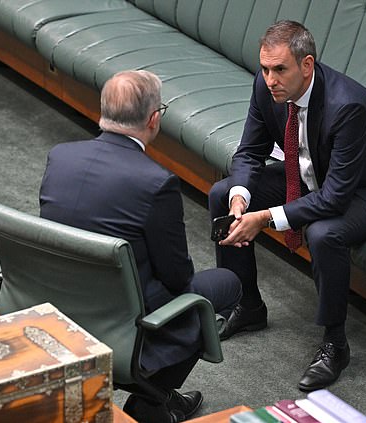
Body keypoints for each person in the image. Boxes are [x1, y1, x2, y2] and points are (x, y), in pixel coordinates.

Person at [209, 20, 366, 391]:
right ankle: (246, 306)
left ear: (307, 65)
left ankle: (335, 344)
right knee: (222, 192)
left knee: (324, 233)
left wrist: (263, 218)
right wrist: (239, 199)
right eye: (264, 69)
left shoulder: (348, 105)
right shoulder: (267, 89)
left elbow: (335, 198)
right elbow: (249, 152)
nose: (269, 79)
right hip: (314, 173)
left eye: (280, 69)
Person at [39, 70, 242, 423]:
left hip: (56, 306)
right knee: (225, 285)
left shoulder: (60, 156)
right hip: (124, 319)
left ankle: (157, 400)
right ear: (154, 119)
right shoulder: (156, 183)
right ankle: (152, 401)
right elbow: (179, 277)